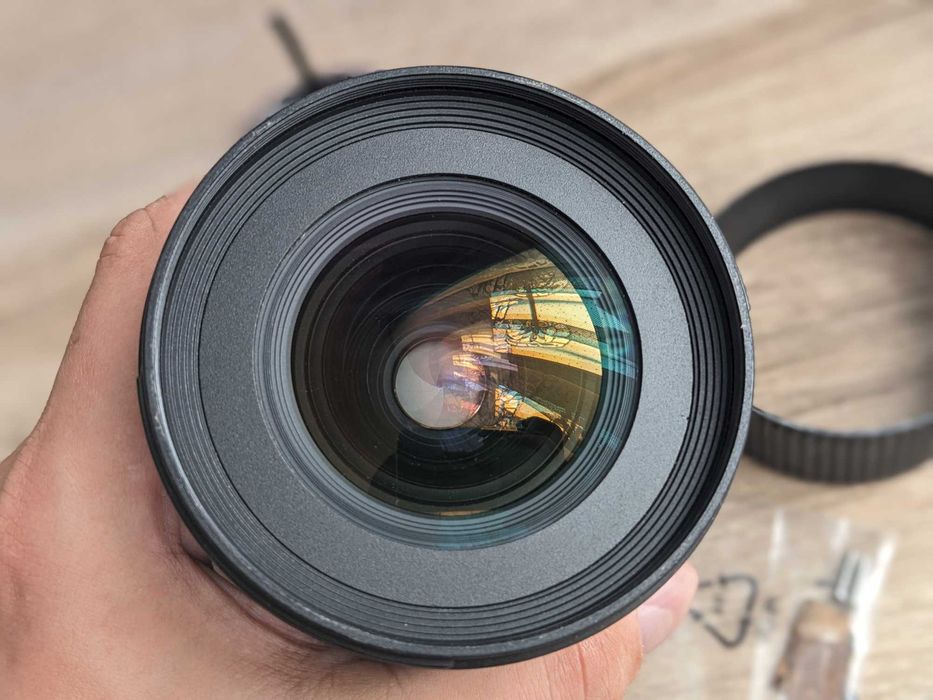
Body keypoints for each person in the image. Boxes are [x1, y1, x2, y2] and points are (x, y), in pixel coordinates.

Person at [0, 186, 697, 698]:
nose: (459, 378)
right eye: (452, 367)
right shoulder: (397, 475)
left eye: (475, 371)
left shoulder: (506, 449)